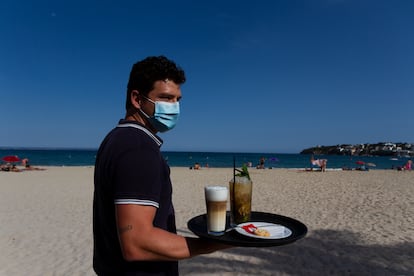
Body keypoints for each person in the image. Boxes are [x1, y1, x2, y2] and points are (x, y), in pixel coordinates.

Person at [93, 56, 231, 275]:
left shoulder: (116, 139)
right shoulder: (137, 148)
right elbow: (136, 243)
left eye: (178, 99)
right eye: (166, 98)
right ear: (137, 99)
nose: (174, 107)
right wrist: (214, 244)